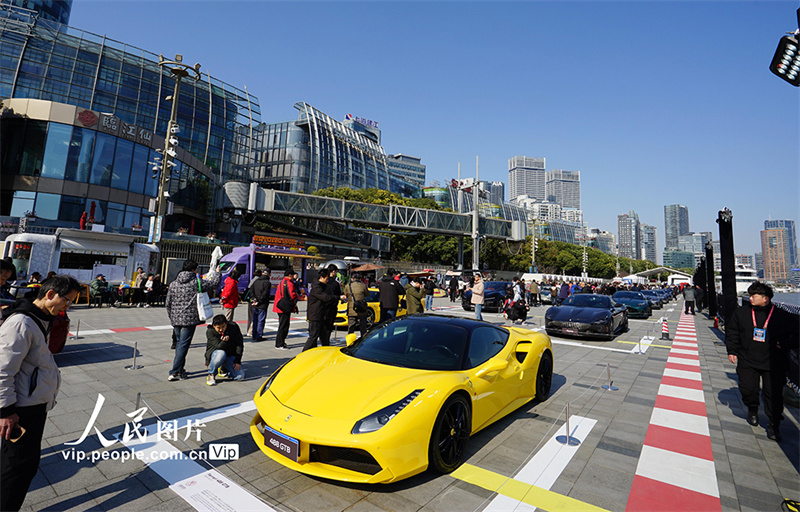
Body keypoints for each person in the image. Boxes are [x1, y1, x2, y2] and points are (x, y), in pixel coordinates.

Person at [0, 275, 81, 511]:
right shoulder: (21, 323)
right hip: (21, 409)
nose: (67, 307)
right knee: (16, 469)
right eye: (67, 301)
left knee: (24, 465)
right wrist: (5, 410)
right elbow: (2, 370)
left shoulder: (40, 318)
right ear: (49, 294)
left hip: (33, 403)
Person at [726, 282, 799, 442]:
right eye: (750, 295)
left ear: (765, 299)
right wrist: (732, 350)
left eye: (754, 296)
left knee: (773, 395)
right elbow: (732, 332)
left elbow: (797, 334)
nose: (750, 298)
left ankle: (774, 424)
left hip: (773, 362)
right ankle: (752, 408)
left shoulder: (781, 316)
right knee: (747, 388)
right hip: (747, 359)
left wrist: (786, 344)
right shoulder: (741, 313)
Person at [165, 260, 220, 381]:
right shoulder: (197, 283)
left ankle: (180, 370)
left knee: (180, 344)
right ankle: (174, 372)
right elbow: (214, 284)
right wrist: (217, 273)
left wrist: (171, 316)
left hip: (175, 319)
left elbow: (167, 303)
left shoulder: (174, 283)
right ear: (194, 270)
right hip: (189, 320)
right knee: (183, 346)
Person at [302, 267, 341, 351]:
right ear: (321, 277)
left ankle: (324, 350)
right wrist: (338, 297)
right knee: (313, 337)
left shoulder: (321, 286)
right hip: (315, 316)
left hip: (320, 315)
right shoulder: (317, 287)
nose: (327, 280)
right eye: (326, 278)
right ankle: (303, 354)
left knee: (324, 335)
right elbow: (326, 298)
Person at [204, 314, 245, 385]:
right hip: (216, 354)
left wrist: (238, 361)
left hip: (230, 354)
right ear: (214, 326)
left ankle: (223, 368)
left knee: (240, 376)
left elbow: (239, 344)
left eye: (223, 327)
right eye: (218, 328)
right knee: (221, 354)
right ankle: (211, 373)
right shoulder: (210, 331)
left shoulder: (233, 327)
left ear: (226, 323)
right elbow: (218, 346)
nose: (221, 329)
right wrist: (224, 341)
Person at [273, 268, 299, 350]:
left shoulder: (282, 281)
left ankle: (280, 342)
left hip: (279, 306)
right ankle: (280, 343)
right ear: (290, 275)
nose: (294, 276)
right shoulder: (289, 283)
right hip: (285, 307)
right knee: (284, 326)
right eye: (293, 274)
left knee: (282, 325)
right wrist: (298, 295)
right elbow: (292, 295)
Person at [344, 272, 370, 337]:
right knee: (363, 327)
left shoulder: (348, 286)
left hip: (351, 309)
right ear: (360, 279)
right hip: (362, 308)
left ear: (352, 279)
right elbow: (367, 294)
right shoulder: (363, 285)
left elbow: (345, 295)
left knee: (351, 327)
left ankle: (350, 342)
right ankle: (363, 341)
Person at [251, 269, 272, 341]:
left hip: (255, 303)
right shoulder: (267, 282)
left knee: (255, 320)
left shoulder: (256, 281)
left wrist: (254, 300)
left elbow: (251, 291)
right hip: (262, 304)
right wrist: (259, 301)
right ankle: (258, 335)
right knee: (261, 320)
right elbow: (265, 294)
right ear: (269, 274)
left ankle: (254, 334)